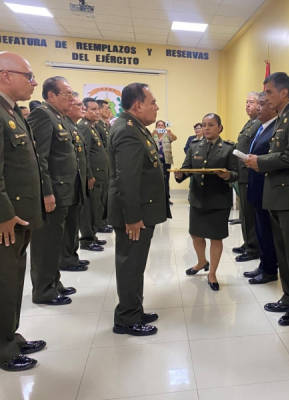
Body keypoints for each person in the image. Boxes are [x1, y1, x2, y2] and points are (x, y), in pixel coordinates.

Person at [0, 51, 46, 371]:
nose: (33, 83)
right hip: (2, 220)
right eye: (28, 76)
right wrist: (1, 214)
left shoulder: (10, 111)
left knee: (13, 281)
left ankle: (10, 336)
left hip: (19, 217)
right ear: (5, 75)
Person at [244, 72, 289, 326]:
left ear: (283, 92)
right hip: (275, 195)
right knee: (282, 251)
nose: (266, 98)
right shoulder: (282, 118)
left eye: (269, 93)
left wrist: (260, 162)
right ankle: (288, 296)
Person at [108, 83, 170, 336]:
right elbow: (127, 179)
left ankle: (134, 308)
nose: (156, 107)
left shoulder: (135, 128)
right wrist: (132, 218)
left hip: (141, 211)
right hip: (135, 215)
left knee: (135, 263)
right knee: (130, 264)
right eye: (152, 101)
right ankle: (126, 319)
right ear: (138, 105)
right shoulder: (127, 131)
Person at [28, 76, 81, 306]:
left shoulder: (58, 116)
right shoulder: (42, 114)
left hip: (64, 191)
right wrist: (46, 192)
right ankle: (43, 290)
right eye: (66, 94)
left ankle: (54, 283)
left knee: (55, 242)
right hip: (54, 193)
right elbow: (39, 157)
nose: (70, 98)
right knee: (45, 244)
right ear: (50, 95)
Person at [175, 113, 238, 291]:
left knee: (215, 237)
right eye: (204, 125)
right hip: (198, 198)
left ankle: (212, 274)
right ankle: (202, 262)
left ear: (220, 128)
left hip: (218, 200)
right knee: (196, 234)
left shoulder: (228, 148)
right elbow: (187, 168)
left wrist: (227, 175)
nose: (207, 128)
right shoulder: (195, 146)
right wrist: (180, 174)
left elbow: (236, 173)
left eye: (211, 125)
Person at [244, 92, 279, 284]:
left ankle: (269, 270)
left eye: (262, 104)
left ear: (273, 108)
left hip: (266, 188)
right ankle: (263, 265)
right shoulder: (261, 127)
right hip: (256, 188)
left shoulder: (275, 128)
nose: (258, 107)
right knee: (260, 230)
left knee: (266, 231)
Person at [60, 93, 96, 275]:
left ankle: (71, 256)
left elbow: (83, 156)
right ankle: (66, 258)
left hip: (77, 181)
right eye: (78, 105)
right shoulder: (67, 125)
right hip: (65, 184)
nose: (82, 108)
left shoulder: (73, 127)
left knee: (73, 224)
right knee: (67, 226)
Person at [232, 92, 261, 262]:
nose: (248, 105)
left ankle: (253, 247)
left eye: (252, 102)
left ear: (260, 105)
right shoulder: (250, 123)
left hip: (249, 172)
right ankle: (247, 242)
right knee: (244, 212)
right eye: (247, 102)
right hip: (242, 173)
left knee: (250, 213)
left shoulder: (258, 124)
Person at [79, 97, 109, 253]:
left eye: (98, 109)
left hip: (100, 175)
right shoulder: (84, 127)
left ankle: (93, 235)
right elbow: (83, 153)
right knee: (89, 209)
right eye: (93, 109)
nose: (97, 112)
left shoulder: (93, 127)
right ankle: (86, 239)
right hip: (93, 176)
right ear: (84, 110)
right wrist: (89, 174)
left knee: (97, 207)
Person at [96, 99, 113, 234]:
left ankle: (103, 221)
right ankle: (99, 223)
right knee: (98, 199)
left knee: (104, 196)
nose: (109, 111)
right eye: (106, 108)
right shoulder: (96, 126)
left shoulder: (105, 125)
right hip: (98, 168)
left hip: (106, 166)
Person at [152, 120, 177, 205]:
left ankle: (166, 198)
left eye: (162, 125)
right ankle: (156, 198)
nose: (160, 127)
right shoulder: (153, 135)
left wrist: (170, 132)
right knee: (155, 180)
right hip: (155, 161)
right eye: (158, 125)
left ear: (164, 127)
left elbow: (174, 138)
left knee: (166, 180)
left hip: (166, 161)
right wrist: (153, 132)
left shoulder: (167, 135)